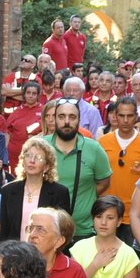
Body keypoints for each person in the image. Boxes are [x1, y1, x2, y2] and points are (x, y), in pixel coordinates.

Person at [71, 195, 140, 278]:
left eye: (110, 218)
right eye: (99, 217)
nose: (103, 222)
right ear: (93, 219)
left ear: (119, 221)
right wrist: (95, 265)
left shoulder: (128, 254)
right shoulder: (79, 248)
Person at [48, 99, 111, 240]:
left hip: (83, 231)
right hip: (46, 230)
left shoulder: (94, 149)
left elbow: (104, 183)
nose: (66, 122)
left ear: (79, 120)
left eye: (72, 117)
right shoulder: (41, 146)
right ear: (54, 119)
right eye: (61, 116)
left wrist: (85, 197)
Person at [0, 135, 71, 246]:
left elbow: (62, 231)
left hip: (45, 255)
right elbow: (4, 232)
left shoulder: (59, 192)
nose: (32, 161)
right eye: (28, 156)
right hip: (15, 255)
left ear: (46, 167)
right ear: (23, 161)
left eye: (38, 158)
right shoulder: (8, 191)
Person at [99, 96, 140, 226]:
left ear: (136, 116)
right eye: (121, 115)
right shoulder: (103, 141)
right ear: (115, 116)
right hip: (107, 212)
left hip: (135, 214)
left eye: (130, 116)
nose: (125, 120)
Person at [3, 78, 46, 166]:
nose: (31, 96)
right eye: (28, 93)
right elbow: (7, 132)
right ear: (24, 94)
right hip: (14, 155)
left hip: (35, 155)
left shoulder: (44, 111)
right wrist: (5, 151)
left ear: (38, 95)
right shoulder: (16, 112)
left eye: (34, 93)